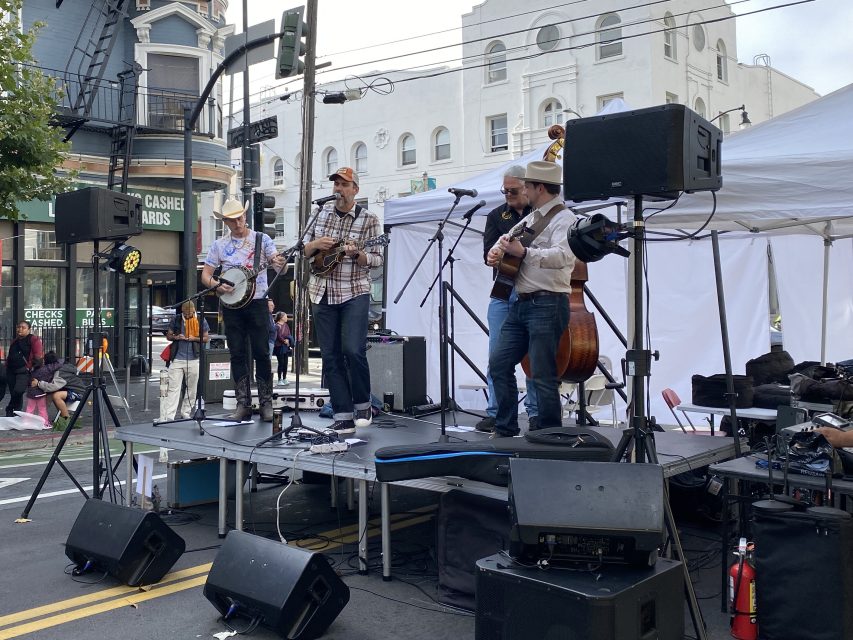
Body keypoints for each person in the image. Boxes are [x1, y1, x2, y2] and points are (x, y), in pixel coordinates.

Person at [486, 161, 576, 438]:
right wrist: (496, 250)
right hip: (521, 304)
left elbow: (564, 256)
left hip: (548, 303)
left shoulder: (565, 218)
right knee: (499, 364)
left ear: (539, 187)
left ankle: (550, 434)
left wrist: (524, 253)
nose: (523, 191)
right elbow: (506, 239)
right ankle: (505, 428)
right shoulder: (532, 218)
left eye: (527, 186)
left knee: (542, 373)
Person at [303, 167, 383, 434]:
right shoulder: (319, 213)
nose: (338, 188)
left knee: (352, 349)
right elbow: (302, 248)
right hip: (321, 291)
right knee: (330, 356)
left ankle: (363, 404)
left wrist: (358, 255)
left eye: (344, 184)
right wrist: (317, 245)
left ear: (355, 190)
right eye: (336, 183)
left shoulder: (369, 219)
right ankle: (343, 415)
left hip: (354, 290)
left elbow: (377, 259)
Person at [202, 197, 285, 421]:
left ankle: (266, 402)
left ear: (245, 216)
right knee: (237, 353)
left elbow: (278, 266)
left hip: (258, 302)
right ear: (226, 222)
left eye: (239, 218)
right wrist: (219, 285)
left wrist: (280, 264)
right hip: (232, 306)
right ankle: (243, 404)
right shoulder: (219, 245)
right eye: (232, 220)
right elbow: (206, 276)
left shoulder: (262, 239)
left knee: (261, 353)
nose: (237, 223)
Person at [476, 165, 539, 433]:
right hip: (503, 291)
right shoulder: (495, 215)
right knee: (497, 356)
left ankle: (536, 414)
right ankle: (497, 412)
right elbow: (487, 254)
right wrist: (494, 256)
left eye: (513, 190)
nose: (508, 195)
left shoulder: (541, 216)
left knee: (534, 358)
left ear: (527, 187)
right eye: (505, 190)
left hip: (533, 292)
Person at [163, 300, 210, 421]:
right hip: (177, 358)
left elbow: (205, 338)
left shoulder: (200, 319)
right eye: (186, 314)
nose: (188, 316)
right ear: (182, 311)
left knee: (192, 388)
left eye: (190, 314)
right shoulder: (177, 319)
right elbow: (169, 336)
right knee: (173, 387)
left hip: (193, 358)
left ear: (194, 311)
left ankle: (186, 412)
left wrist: (194, 338)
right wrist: (176, 337)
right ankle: (169, 415)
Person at [33, 355, 85, 431]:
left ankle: (66, 420)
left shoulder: (61, 372)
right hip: (70, 390)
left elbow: (53, 386)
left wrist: (38, 384)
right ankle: (42, 417)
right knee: (51, 394)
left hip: (79, 393)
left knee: (56, 395)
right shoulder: (62, 366)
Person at [5, 320, 44, 416]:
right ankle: (15, 412)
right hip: (11, 370)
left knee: (19, 390)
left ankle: (10, 409)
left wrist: (31, 368)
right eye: (18, 327)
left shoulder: (33, 339)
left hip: (24, 370)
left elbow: (38, 355)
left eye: (23, 327)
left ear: (29, 329)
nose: (20, 329)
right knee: (13, 392)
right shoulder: (15, 341)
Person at [26, 351, 62, 424]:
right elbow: (59, 363)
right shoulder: (46, 369)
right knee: (42, 409)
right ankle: (44, 422)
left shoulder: (31, 371)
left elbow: (28, 382)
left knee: (29, 408)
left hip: (31, 393)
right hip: (41, 393)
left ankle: (27, 422)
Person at [273, 311, 292, 386]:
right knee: (281, 363)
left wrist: (288, 340)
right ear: (281, 317)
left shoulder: (286, 325)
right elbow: (278, 335)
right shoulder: (277, 326)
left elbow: (288, 334)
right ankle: (279, 379)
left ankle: (284, 378)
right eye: (285, 316)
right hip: (279, 346)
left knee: (285, 363)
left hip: (285, 346)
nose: (287, 317)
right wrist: (284, 340)